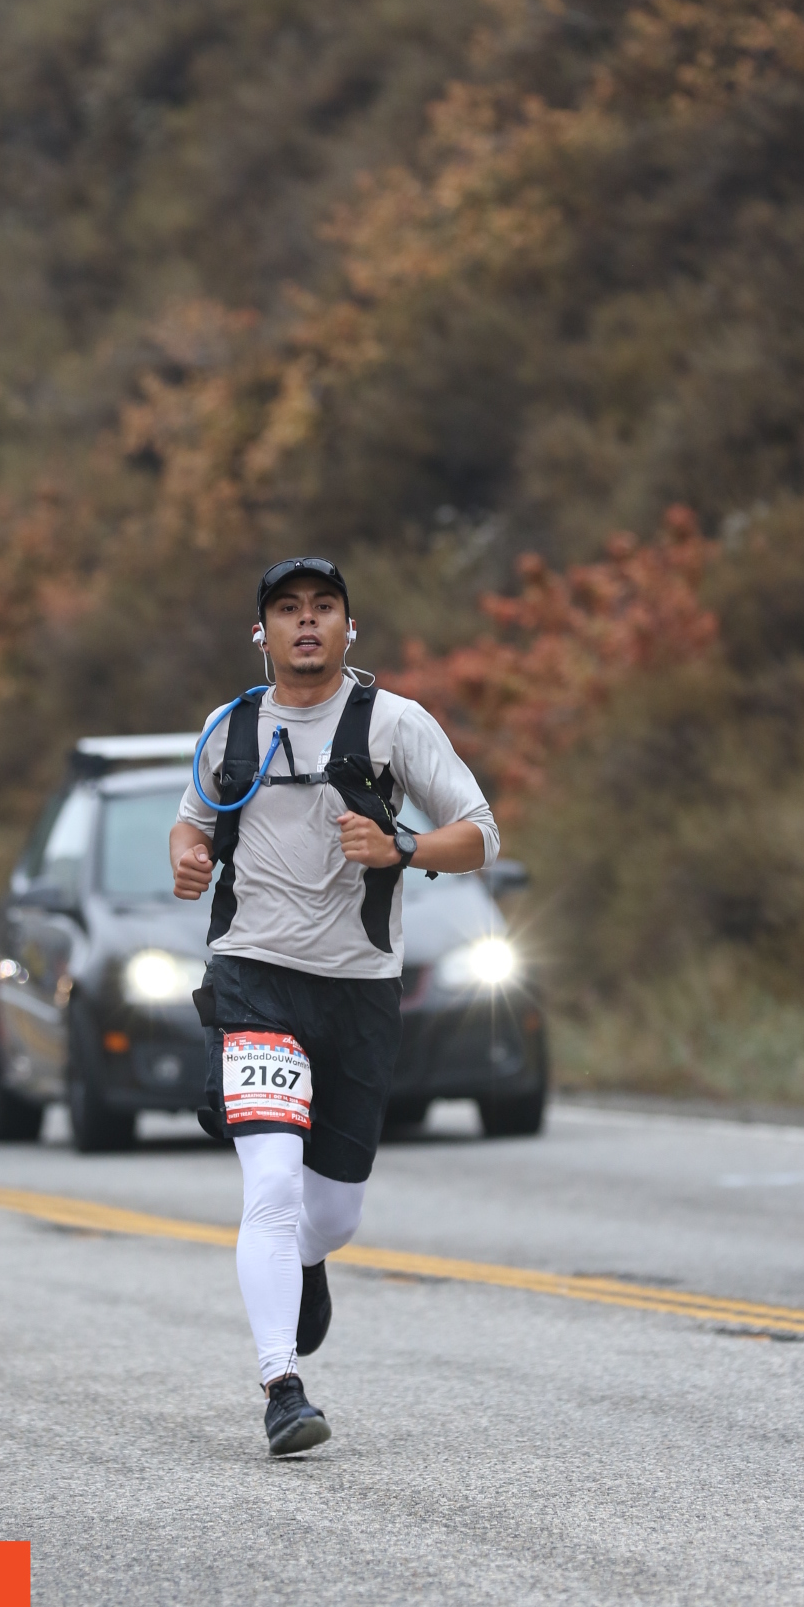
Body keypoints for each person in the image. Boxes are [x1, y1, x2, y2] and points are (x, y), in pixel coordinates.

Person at [169, 557, 500, 1455]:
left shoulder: (396, 723)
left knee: (333, 1213)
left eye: (324, 608)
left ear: (350, 628)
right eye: (288, 609)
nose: (307, 621)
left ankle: (307, 1261)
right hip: (255, 978)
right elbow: (193, 820)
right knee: (271, 1184)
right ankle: (282, 1387)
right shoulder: (232, 728)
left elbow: (481, 834)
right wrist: (187, 857)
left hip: (358, 989)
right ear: (262, 632)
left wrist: (401, 846)